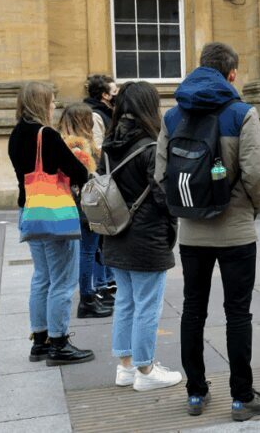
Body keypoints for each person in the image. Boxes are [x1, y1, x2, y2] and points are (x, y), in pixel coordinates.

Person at [155, 42, 260, 421]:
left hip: (192, 233)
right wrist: (250, 208)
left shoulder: (173, 116)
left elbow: (161, 175)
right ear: (232, 74)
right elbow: (256, 173)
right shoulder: (242, 113)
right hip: (236, 231)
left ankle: (196, 393)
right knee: (237, 313)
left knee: (193, 310)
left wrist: (185, 212)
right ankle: (241, 398)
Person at [100, 81, 181, 391]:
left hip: (115, 232)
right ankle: (145, 370)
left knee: (125, 302)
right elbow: (164, 196)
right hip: (146, 237)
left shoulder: (110, 144)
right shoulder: (151, 146)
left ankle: (125, 367)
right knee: (147, 304)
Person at [7, 82, 95, 365]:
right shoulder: (46, 134)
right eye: (51, 101)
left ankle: (39, 341)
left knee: (42, 277)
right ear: (40, 104)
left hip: (30, 211)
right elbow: (77, 171)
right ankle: (59, 343)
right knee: (63, 280)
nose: (54, 106)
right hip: (53, 213)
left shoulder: (16, 134)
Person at [56, 103, 113, 319]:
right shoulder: (79, 149)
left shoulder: (63, 144)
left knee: (86, 251)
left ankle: (89, 295)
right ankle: (87, 298)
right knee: (87, 252)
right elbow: (86, 180)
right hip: (85, 207)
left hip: (72, 205)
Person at [83, 74, 119, 303]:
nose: (117, 95)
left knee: (104, 235)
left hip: (107, 177)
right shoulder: (96, 115)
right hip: (101, 180)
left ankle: (107, 279)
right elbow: (96, 149)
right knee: (97, 238)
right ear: (105, 95)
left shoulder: (106, 113)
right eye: (114, 91)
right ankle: (100, 283)